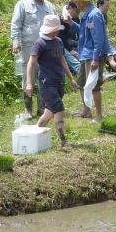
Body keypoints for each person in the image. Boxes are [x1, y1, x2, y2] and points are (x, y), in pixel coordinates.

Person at [26, 15, 78, 149]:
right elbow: (31, 63)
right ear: (51, 29)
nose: (59, 31)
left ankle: (33, 137)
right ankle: (63, 142)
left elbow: (62, 60)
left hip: (59, 82)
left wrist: (71, 78)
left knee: (48, 113)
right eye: (57, 29)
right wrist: (29, 83)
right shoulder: (40, 43)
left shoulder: (58, 41)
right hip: (47, 83)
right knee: (59, 109)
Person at [11, 0, 55, 119]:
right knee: (27, 76)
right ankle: (28, 110)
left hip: (46, 45)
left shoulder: (49, 6)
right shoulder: (23, 4)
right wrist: (15, 41)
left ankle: (42, 109)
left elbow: (55, 24)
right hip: (29, 46)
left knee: (44, 77)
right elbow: (16, 24)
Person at [72, 0, 111, 123]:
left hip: (92, 56)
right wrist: (71, 24)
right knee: (82, 83)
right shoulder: (87, 15)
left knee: (94, 85)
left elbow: (98, 39)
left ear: (82, 2)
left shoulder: (94, 15)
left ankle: (99, 115)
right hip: (85, 54)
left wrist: (95, 58)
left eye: (76, 0)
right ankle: (86, 110)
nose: (75, 2)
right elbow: (85, 32)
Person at [59, 0, 81, 74]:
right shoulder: (62, 19)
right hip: (62, 44)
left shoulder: (76, 18)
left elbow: (79, 33)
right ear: (70, 8)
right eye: (77, 11)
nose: (78, 14)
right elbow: (61, 38)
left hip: (72, 42)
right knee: (72, 56)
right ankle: (82, 72)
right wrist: (71, 50)